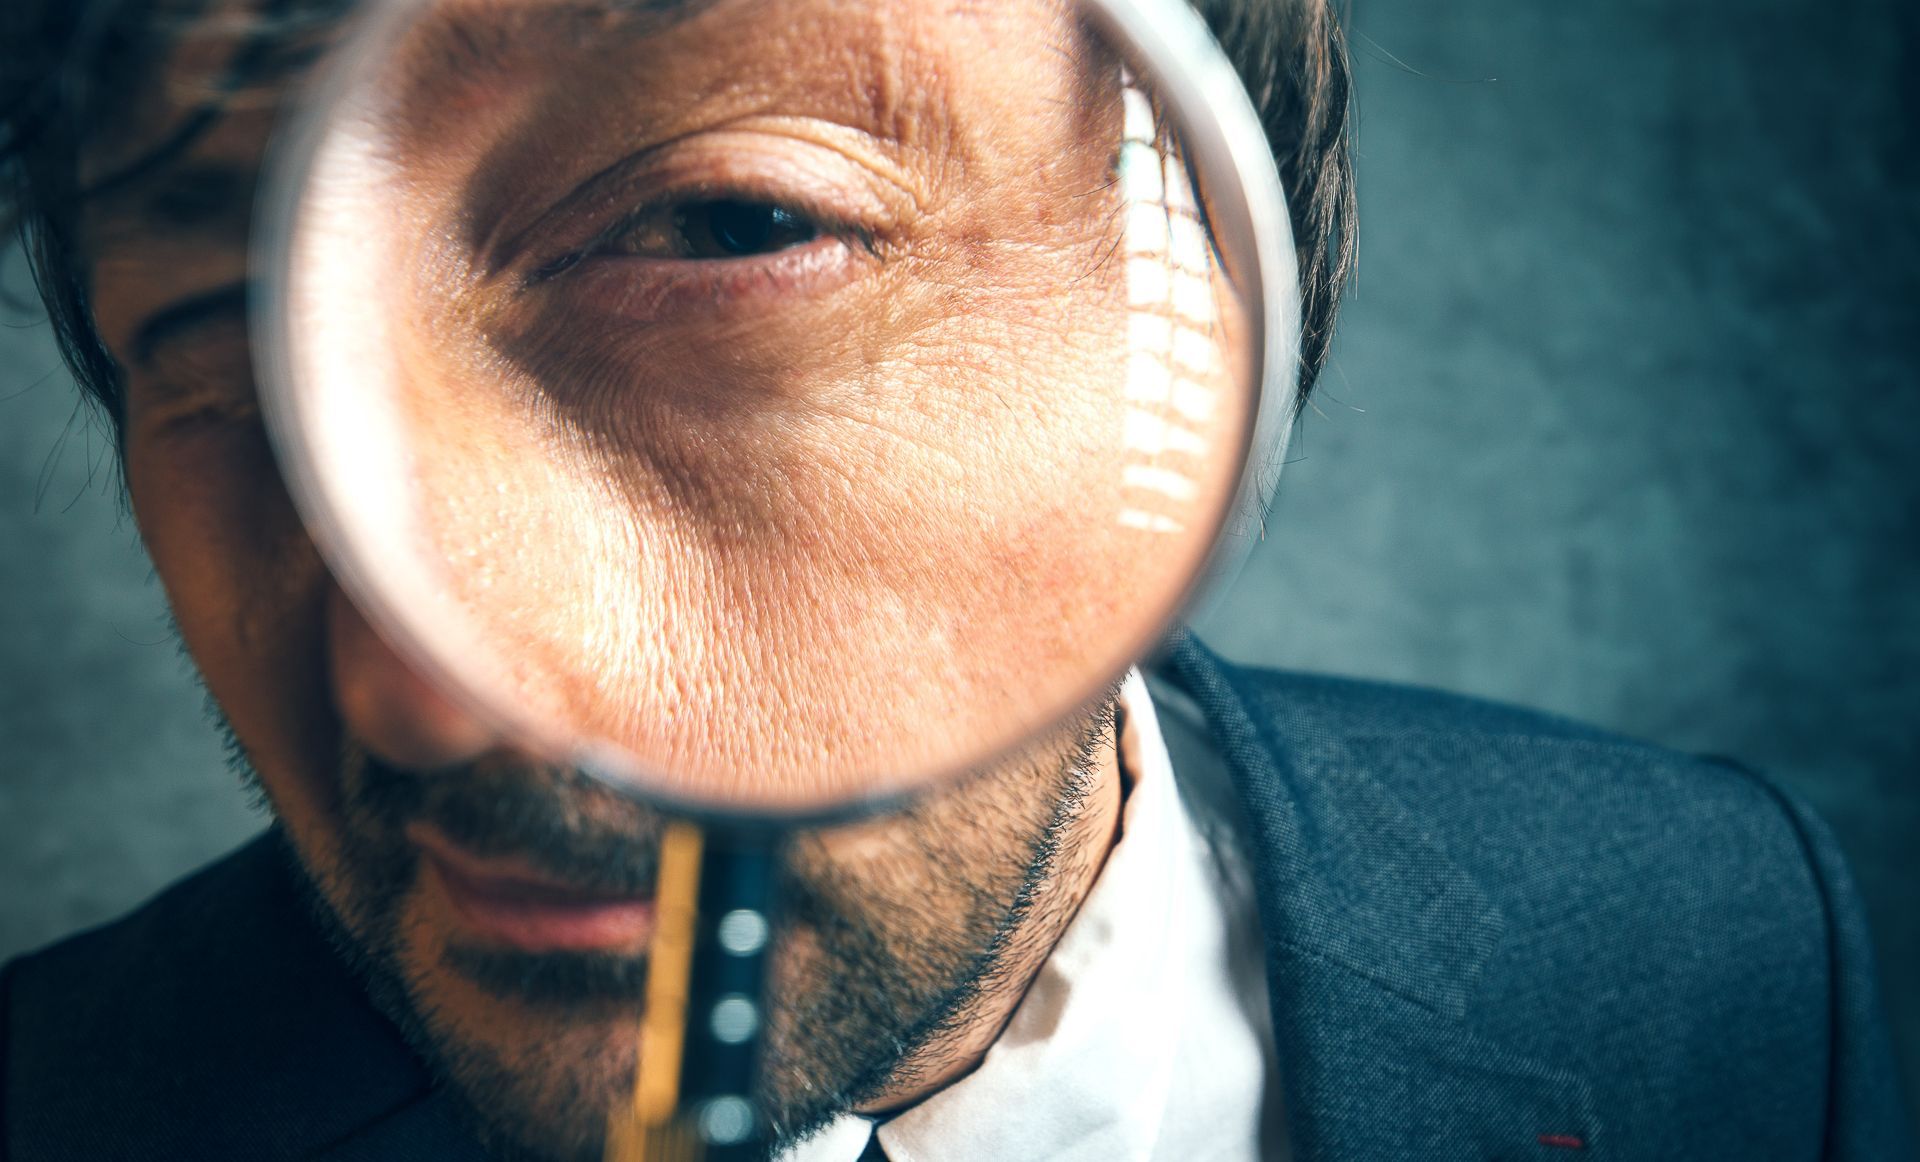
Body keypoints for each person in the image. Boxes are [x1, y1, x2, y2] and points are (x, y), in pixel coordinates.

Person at [0, 1, 1912, 1160]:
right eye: (221, 338)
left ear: (1206, 301)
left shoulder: (1719, 940)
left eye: (727, 228)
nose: (405, 682)